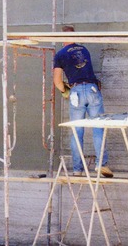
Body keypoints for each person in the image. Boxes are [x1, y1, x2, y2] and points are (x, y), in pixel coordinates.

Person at [53, 25, 113, 178]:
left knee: (77, 132)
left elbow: (57, 80)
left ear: (62, 39)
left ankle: (77, 170)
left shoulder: (60, 54)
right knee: (98, 128)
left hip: (76, 92)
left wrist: (64, 90)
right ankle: (101, 165)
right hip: (92, 89)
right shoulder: (84, 50)